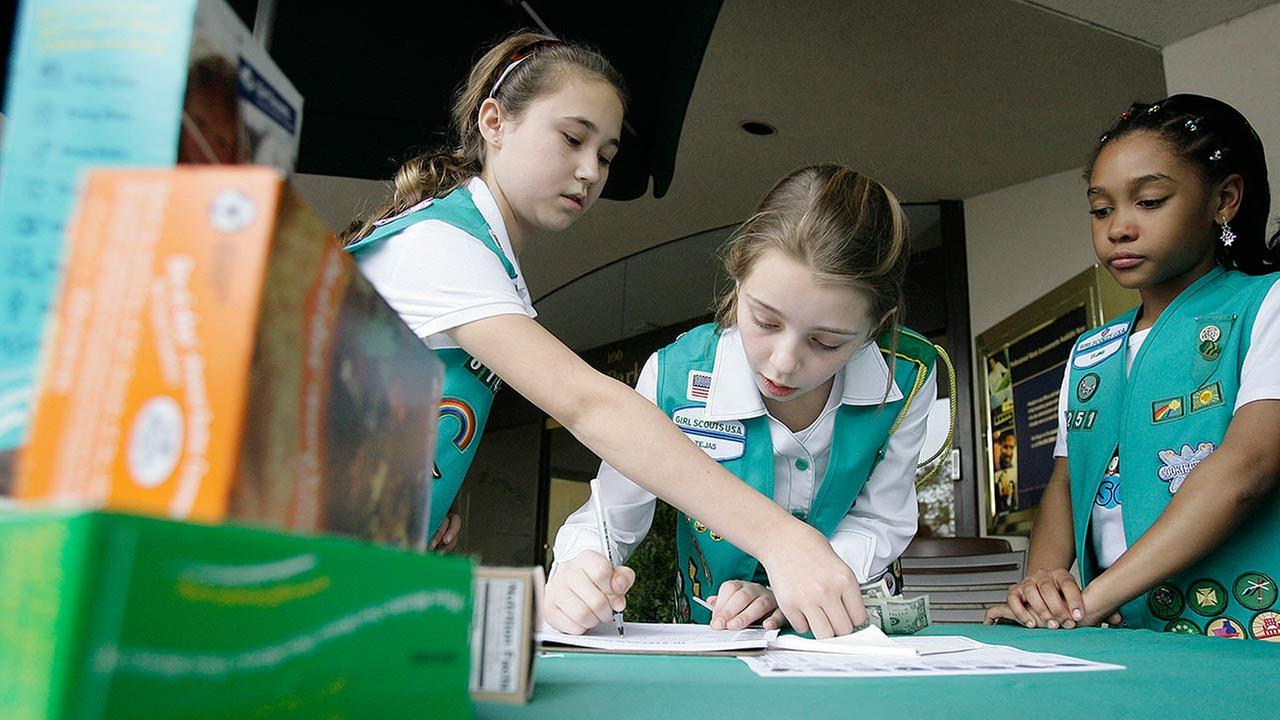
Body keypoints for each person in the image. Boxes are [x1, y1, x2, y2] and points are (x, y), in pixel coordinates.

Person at [343, 33, 867, 637]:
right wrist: (783, 539)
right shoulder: (440, 245)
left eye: (607, 153)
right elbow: (588, 403)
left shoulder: (478, 257)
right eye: (572, 138)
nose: (591, 171)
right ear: (494, 121)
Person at [545, 164, 939, 633]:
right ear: (738, 280)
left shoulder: (910, 374)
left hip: (840, 633)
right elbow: (610, 518)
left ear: (875, 328)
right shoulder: (675, 375)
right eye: (766, 321)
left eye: (827, 342)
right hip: (707, 639)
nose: (784, 362)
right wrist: (580, 565)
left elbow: (881, 519)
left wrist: (788, 589)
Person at [985, 94, 1280, 636]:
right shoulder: (1092, 349)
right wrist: (1043, 590)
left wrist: (1091, 599)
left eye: (1149, 201)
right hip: (1118, 629)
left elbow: (1247, 469)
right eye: (1101, 210)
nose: (1118, 227)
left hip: (1236, 626)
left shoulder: (1266, 305)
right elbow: (1067, 482)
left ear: (1225, 200)